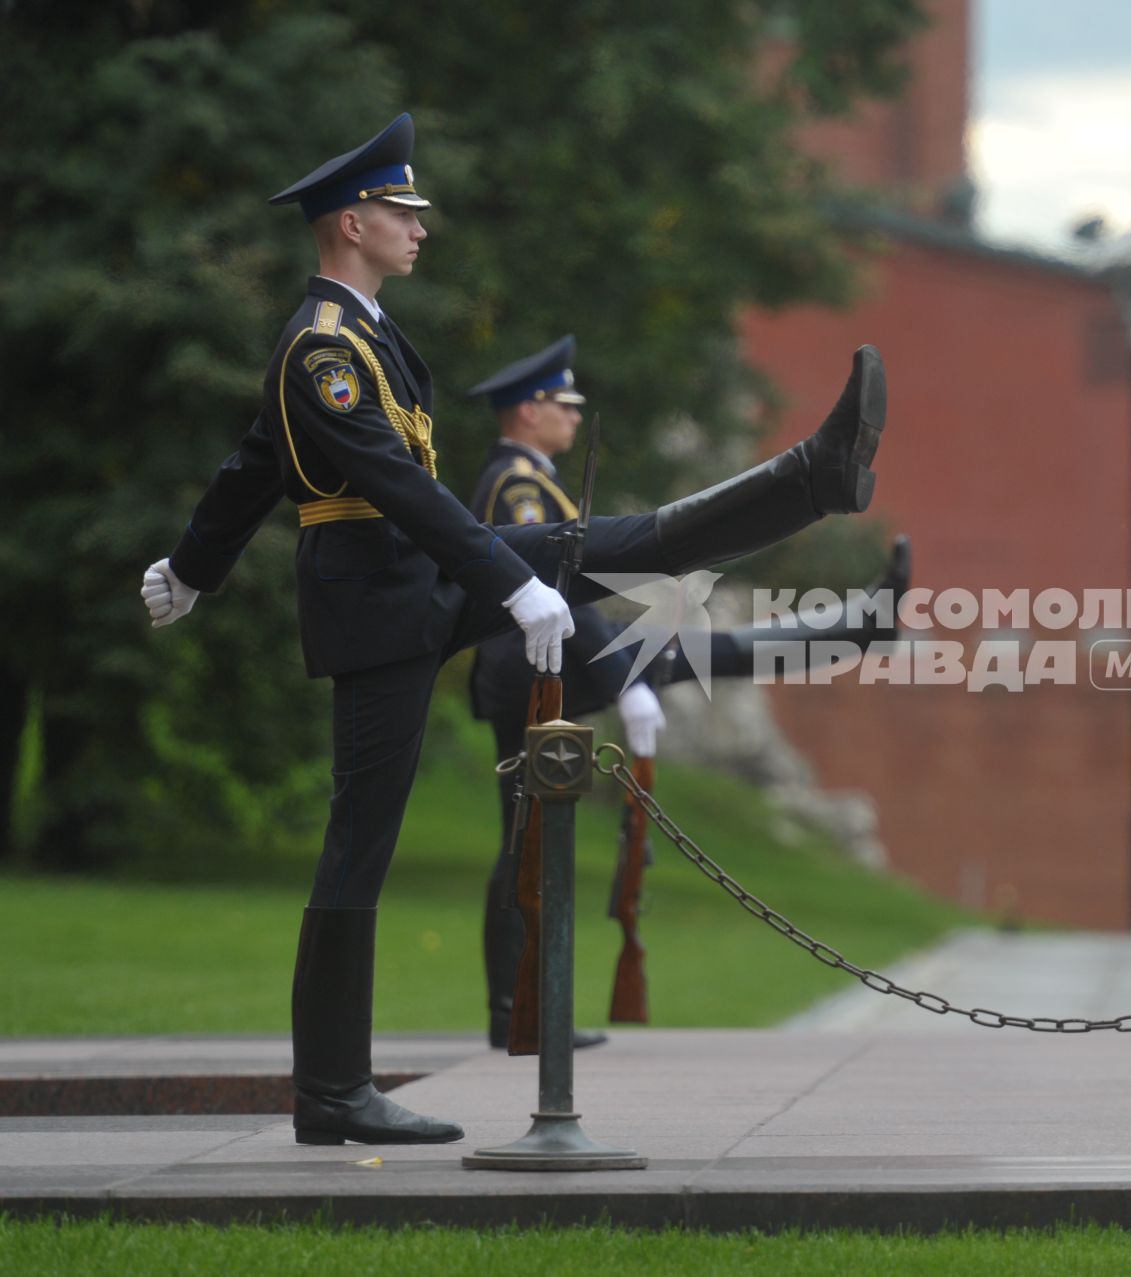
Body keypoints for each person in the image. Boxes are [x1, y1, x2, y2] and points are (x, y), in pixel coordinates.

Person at [137, 114, 889, 1145]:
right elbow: (393, 483)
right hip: (378, 604)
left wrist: (192, 568)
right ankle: (331, 1092)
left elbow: (246, 469)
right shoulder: (322, 350)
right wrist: (509, 582)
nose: (420, 227)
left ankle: (810, 477)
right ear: (352, 221)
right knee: (361, 840)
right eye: (405, 211)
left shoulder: (360, 336)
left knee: (597, 544)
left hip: (415, 581)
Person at [461, 336, 910, 1050]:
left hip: (548, 661)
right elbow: (540, 592)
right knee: (525, 842)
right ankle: (515, 1006)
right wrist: (619, 679)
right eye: (564, 405)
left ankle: (852, 627)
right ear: (527, 411)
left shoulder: (527, 478)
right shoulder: (515, 483)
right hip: (530, 670)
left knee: (689, 655)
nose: (574, 417)